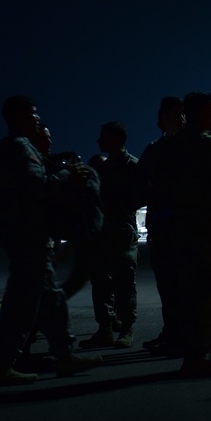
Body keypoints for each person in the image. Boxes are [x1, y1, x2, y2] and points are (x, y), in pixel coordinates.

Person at [0, 95, 102, 387]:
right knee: (22, 304)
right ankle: (3, 364)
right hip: (29, 237)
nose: (37, 120)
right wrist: (67, 173)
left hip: (24, 235)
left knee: (51, 300)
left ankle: (65, 356)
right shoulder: (20, 149)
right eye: (33, 115)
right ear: (19, 118)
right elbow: (38, 186)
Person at [152, 92, 211, 375]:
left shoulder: (170, 145)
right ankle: (196, 359)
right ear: (201, 113)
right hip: (206, 228)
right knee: (206, 290)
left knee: (188, 291)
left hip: (177, 229)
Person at [77, 121, 140, 350]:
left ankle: (126, 329)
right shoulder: (103, 169)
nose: (98, 140)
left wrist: (117, 204)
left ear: (115, 139)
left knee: (124, 281)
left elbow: (142, 195)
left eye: (102, 136)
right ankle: (105, 328)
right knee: (101, 282)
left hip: (121, 231)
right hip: (102, 233)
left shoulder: (132, 165)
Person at [137, 96, 185, 356]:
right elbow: (139, 186)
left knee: (187, 286)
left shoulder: (194, 146)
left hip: (188, 228)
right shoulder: (154, 149)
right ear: (163, 117)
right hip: (163, 227)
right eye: (176, 113)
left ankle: (191, 336)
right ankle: (172, 332)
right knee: (167, 286)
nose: (182, 118)